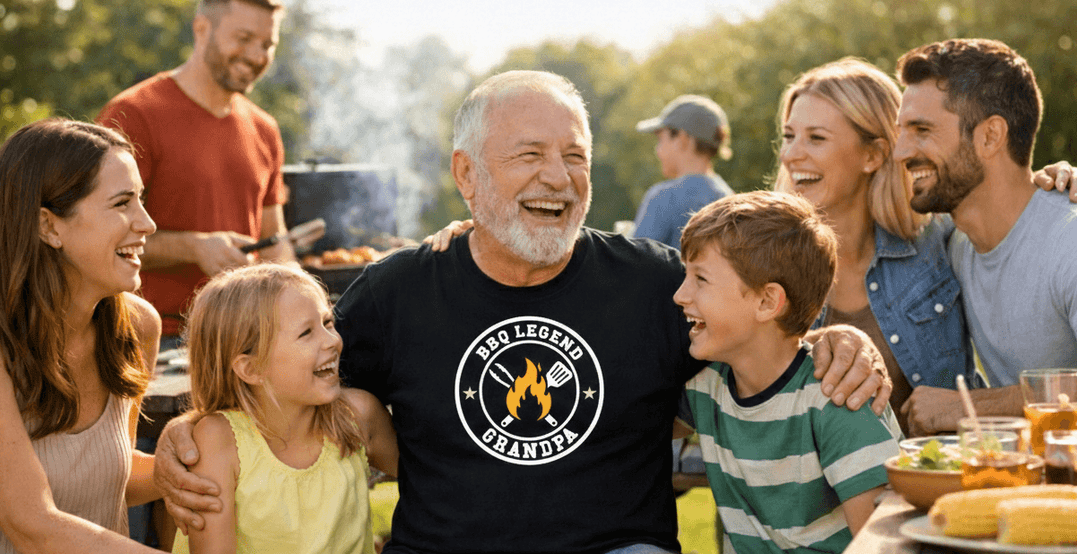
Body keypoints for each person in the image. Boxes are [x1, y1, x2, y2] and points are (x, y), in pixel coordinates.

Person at [156, 70, 891, 554]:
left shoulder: (658, 286)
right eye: (530, 154)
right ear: (467, 176)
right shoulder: (396, 292)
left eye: (575, 156)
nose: (558, 177)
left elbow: (757, 329)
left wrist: (835, 342)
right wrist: (186, 432)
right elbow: (277, 370)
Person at [775, 57, 1077, 436]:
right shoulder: (766, 263)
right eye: (788, 136)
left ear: (873, 154)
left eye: (816, 137)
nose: (791, 154)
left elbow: (1000, 207)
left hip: (928, 478)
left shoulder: (937, 245)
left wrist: (1055, 190)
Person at [894, 38, 1077, 435]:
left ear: (990, 136)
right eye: (901, 131)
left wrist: (973, 407)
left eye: (921, 130)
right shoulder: (954, 245)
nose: (901, 151)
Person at [676, 191, 900, 553]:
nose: (680, 295)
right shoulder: (705, 390)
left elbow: (881, 543)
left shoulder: (838, 397)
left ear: (767, 302)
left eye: (700, 279)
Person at [96, 0, 294, 345]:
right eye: (244, 39)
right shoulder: (134, 114)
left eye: (268, 44)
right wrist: (195, 247)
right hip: (152, 337)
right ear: (202, 29)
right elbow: (98, 233)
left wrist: (301, 290)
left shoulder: (265, 128)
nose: (256, 56)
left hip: (243, 337)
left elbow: (274, 241)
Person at [0, 119, 163, 553]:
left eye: (141, 201)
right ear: (48, 226)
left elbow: (113, 474)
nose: (146, 224)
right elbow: (31, 526)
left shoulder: (137, 329)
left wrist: (177, 471)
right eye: (122, 203)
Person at [169, 264, 397, 554]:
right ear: (251, 368)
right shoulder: (217, 441)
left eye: (328, 323)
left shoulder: (359, 415)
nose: (333, 341)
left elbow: (434, 474)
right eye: (306, 333)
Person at [632, 95, 734, 248]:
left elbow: (634, 264)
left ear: (682, 139)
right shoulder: (731, 201)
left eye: (660, 139)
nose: (657, 150)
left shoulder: (662, 198)